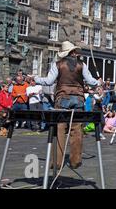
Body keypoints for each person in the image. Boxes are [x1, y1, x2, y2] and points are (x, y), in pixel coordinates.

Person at [34, 41, 102, 170]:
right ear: (73, 52)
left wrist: (35, 79)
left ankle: (57, 162)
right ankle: (75, 161)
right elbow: (91, 81)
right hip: (78, 98)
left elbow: (48, 81)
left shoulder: (57, 64)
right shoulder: (82, 65)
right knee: (76, 130)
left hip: (62, 98)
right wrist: (98, 82)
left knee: (59, 129)